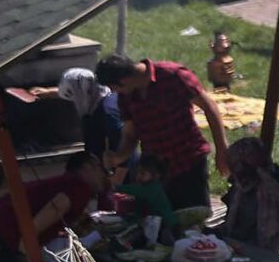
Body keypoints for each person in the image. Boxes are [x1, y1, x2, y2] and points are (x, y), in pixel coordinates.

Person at [98, 54, 230, 212]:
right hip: (156, 170)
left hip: (188, 161)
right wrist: (117, 157)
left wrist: (222, 150)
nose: (115, 92)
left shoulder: (173, 75)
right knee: (160, 223)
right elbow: (130, 134)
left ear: (123, 80)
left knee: (192, 218)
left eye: (115, 87)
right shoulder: (126, 96)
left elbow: (210, 108)